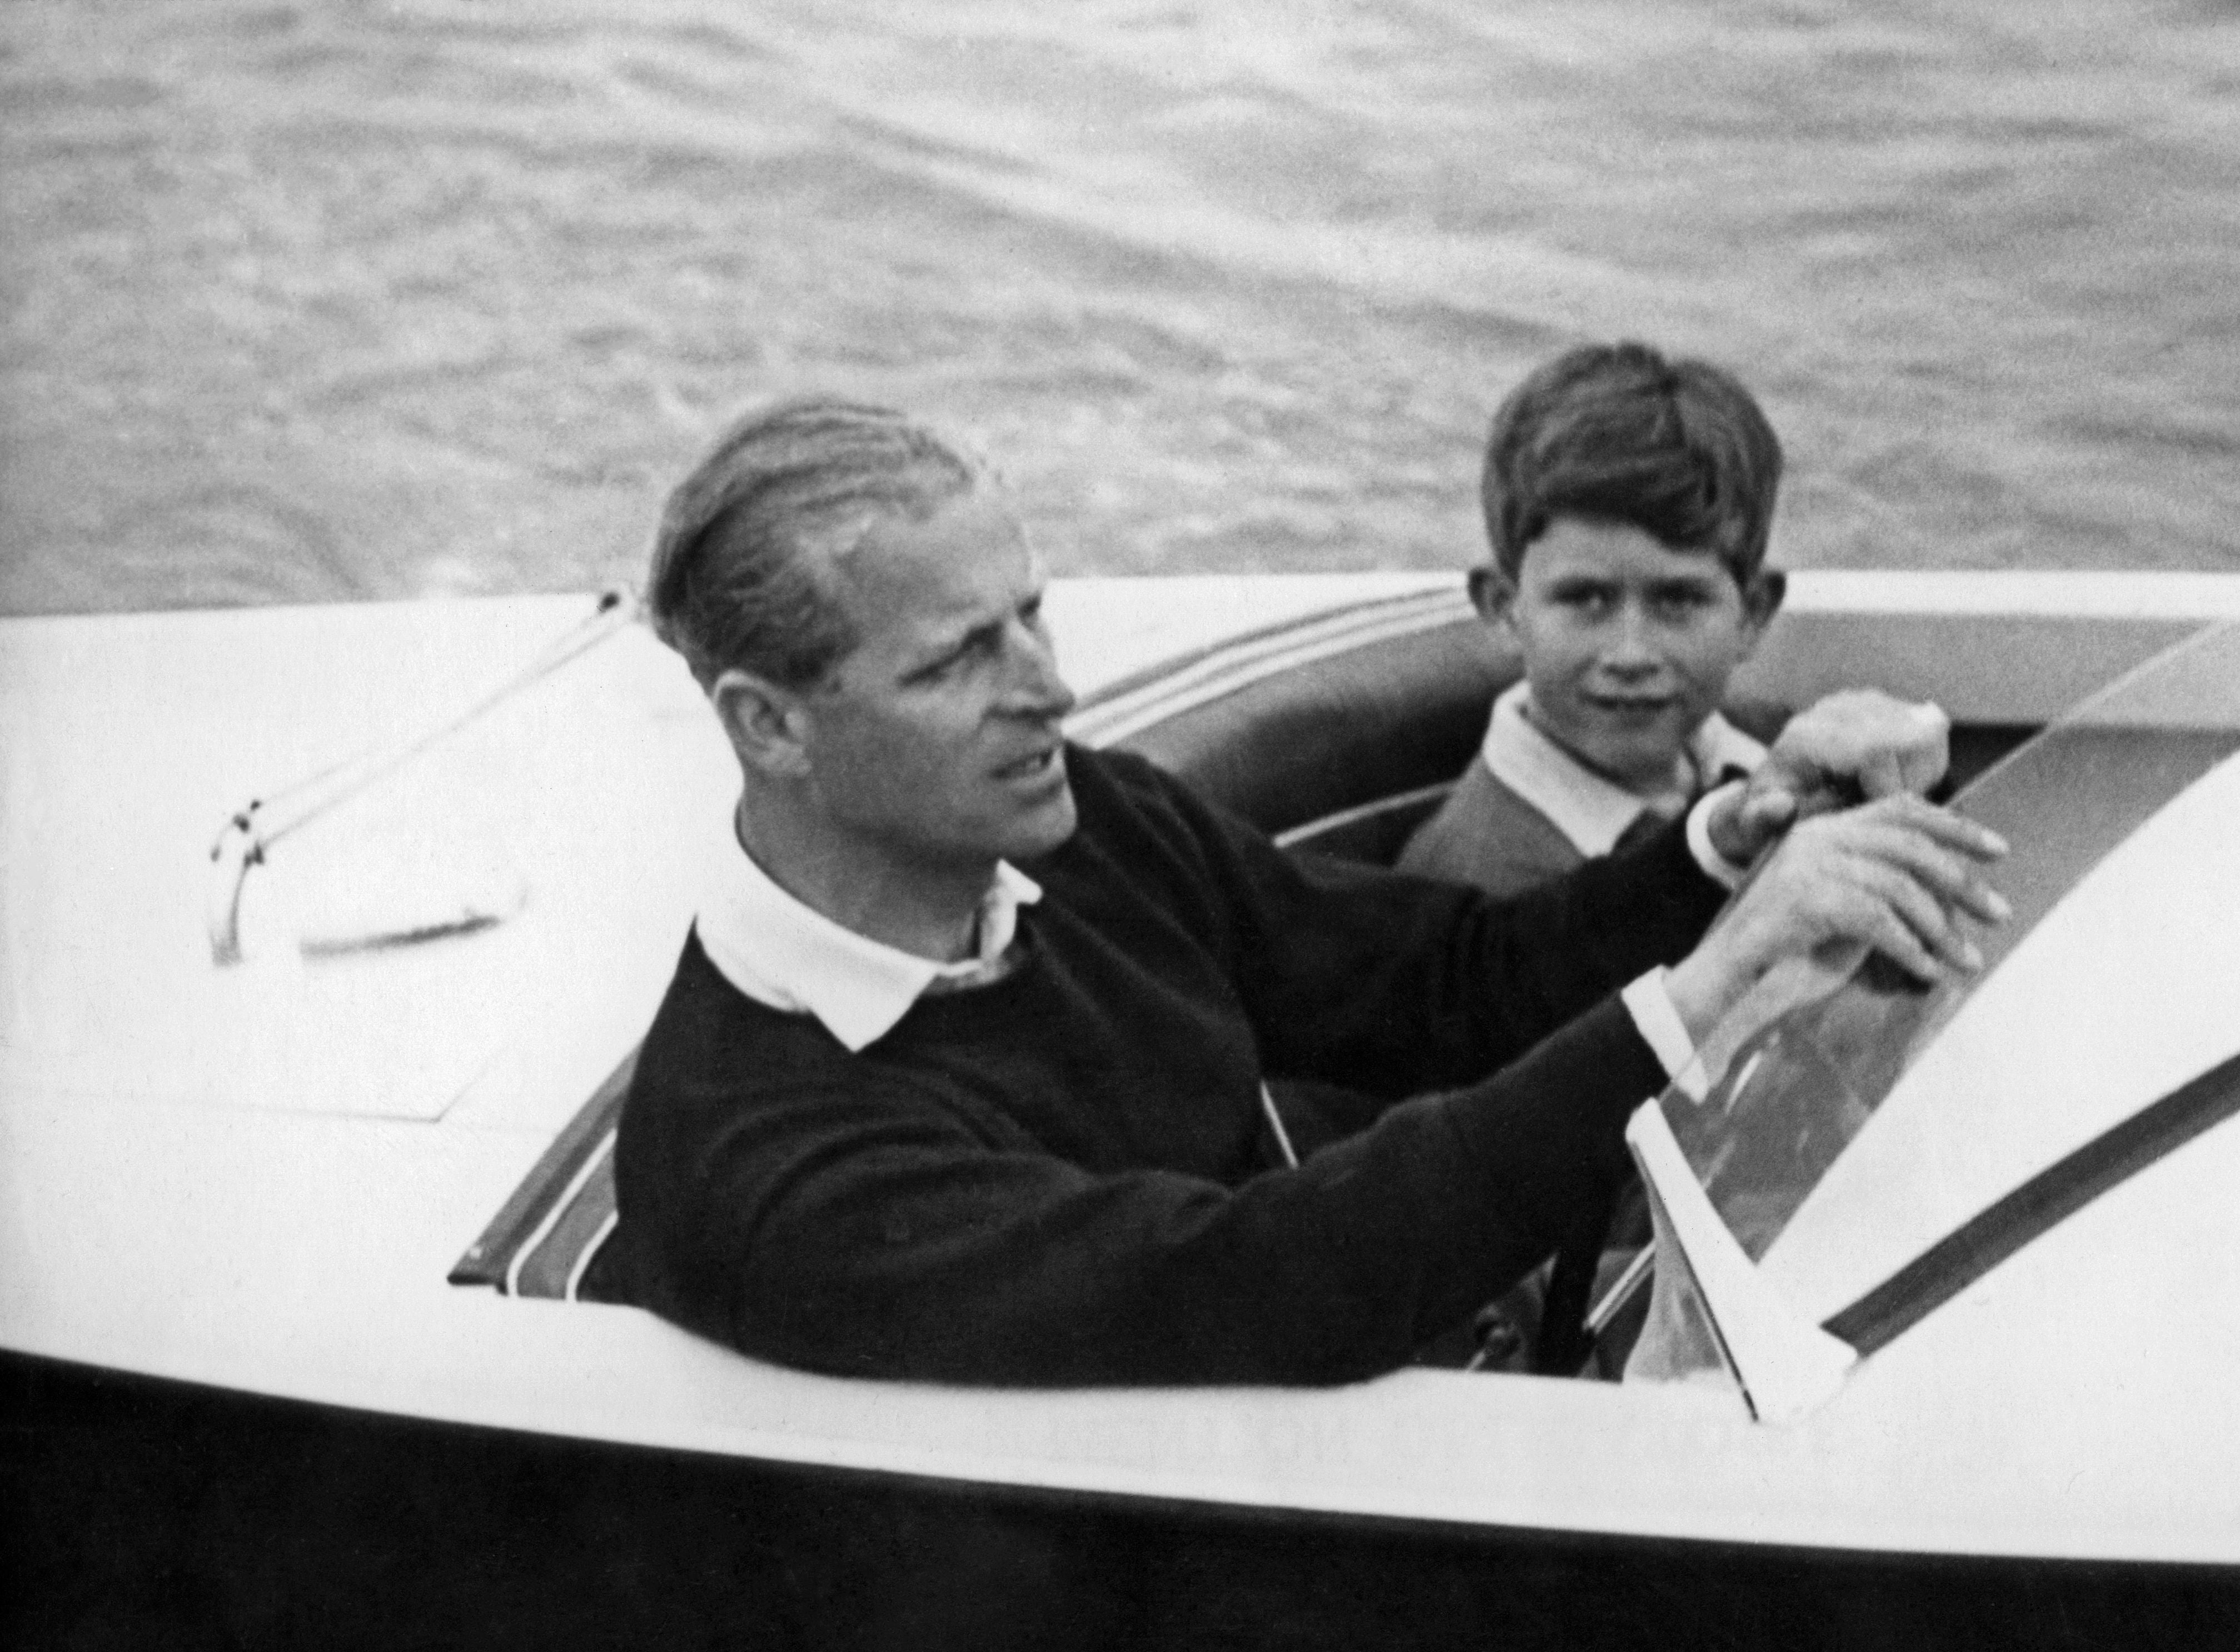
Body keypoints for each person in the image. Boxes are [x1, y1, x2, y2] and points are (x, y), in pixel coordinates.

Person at [608, 396, 2007, 1388]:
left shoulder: (1078, 822)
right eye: (956, 660)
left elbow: (1446, 983)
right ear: (770, 725)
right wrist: (1712, 986)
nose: (1049, 686)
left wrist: (1729, 834)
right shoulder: (773, 1169)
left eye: (1031, 614)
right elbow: (1265, 1283)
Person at [1400, 341, 1950, 896]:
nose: (1631, 654)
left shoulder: (1767, 743)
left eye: (1678, 601)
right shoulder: (1472, 888)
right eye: (1586, 599)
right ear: (1504, 607)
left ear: (1753, 613)